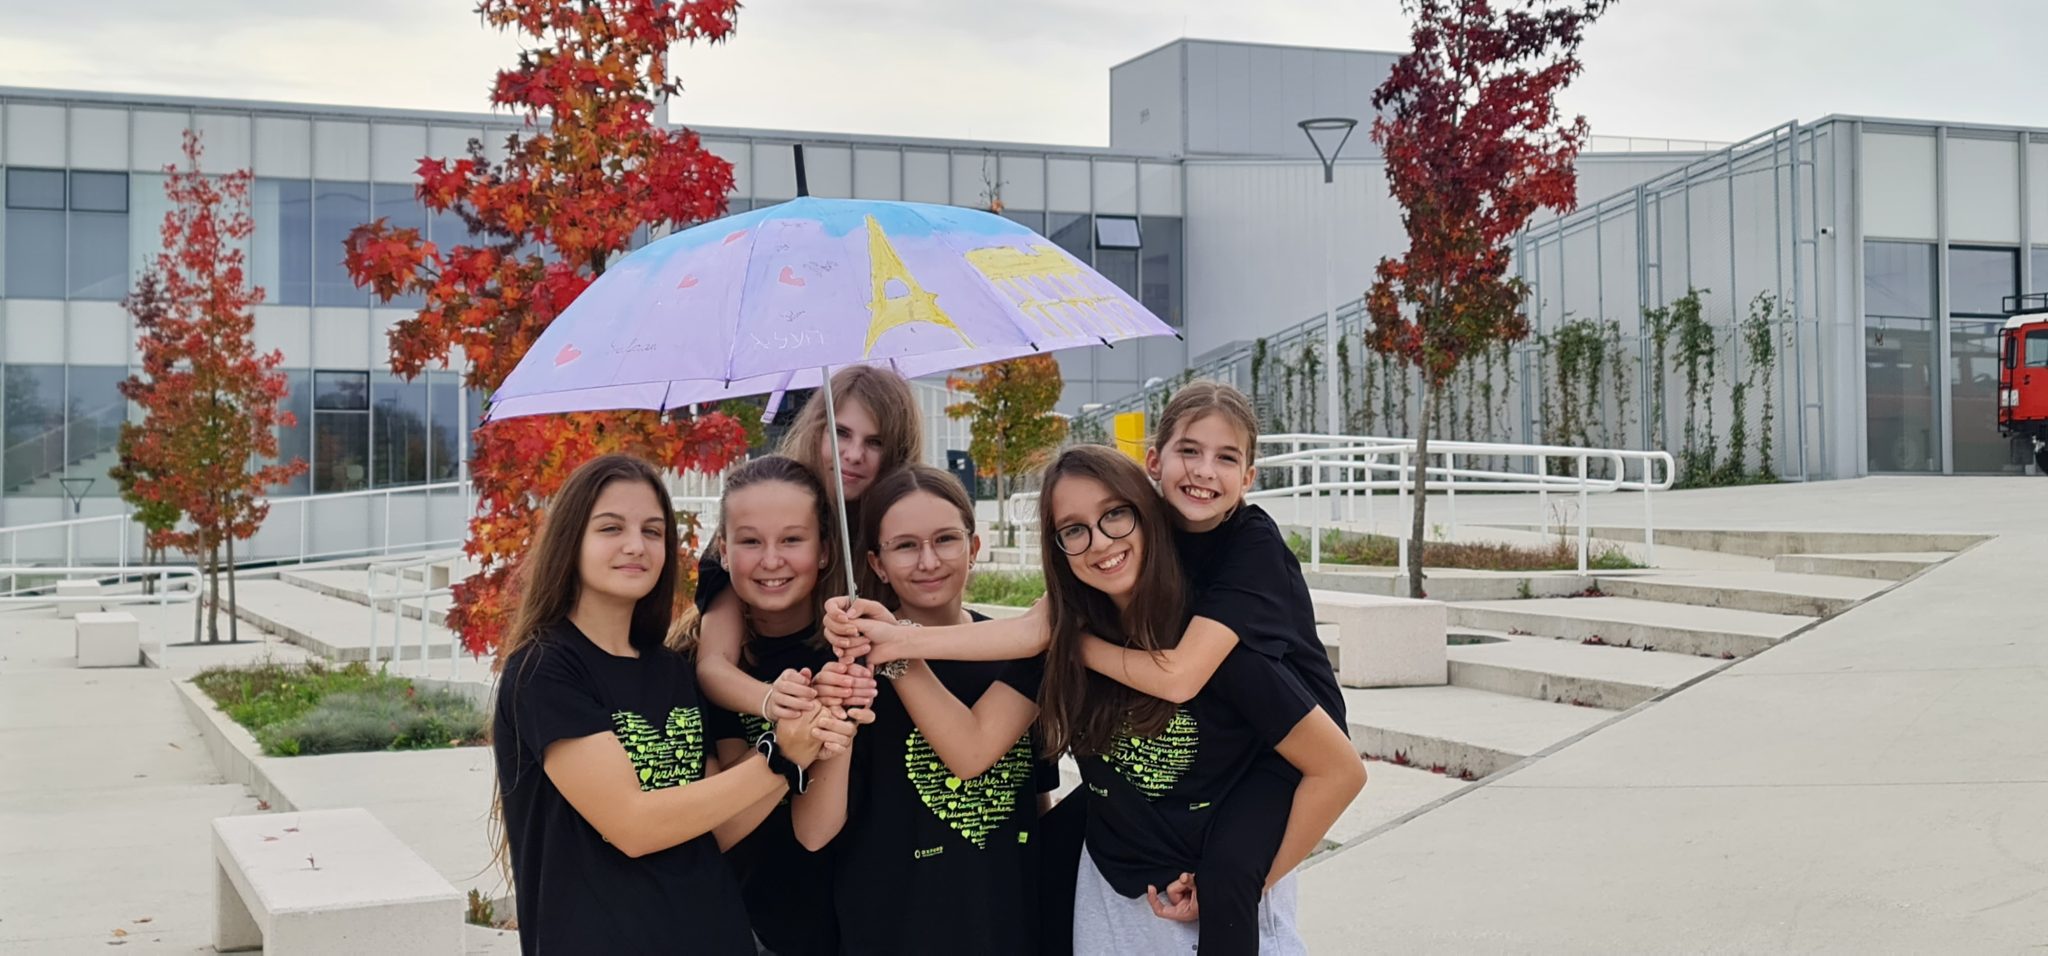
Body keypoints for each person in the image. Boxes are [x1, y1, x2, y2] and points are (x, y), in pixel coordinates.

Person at [831, 382, 1354, 951]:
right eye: (1074, 530)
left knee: (1228, 865)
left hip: (1218, 891)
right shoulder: (1069, 623)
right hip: (1115, 907)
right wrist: (895, 647)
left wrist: (1245, 882)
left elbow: (1330, 766)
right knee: (1052, 847)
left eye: (1116, 517)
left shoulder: (1219, 630)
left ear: (1149, 516)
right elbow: (974, 744)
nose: (1100, 542)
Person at [490, 453, 854, 955]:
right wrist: (780, 756)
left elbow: (718, 827)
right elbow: (633, 825)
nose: (635, 545)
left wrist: (810, 729)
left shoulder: (671, 670)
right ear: (571, 540)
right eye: (611, 528)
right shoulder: (545, 669)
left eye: (653, 531)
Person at [793, 465, 1060, 955]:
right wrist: (838, 719)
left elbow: (1033, 800)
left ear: (974, 547)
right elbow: (813, 833)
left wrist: (898, 650)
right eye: (905, 546)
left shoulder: (1021, 653)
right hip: (893, 931)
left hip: (1008, 927)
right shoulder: (847, 668)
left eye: (946, 539)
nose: (928, 561)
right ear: (876, 564)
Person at [671, 454, 878, 956]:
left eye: (791, 540)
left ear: (825, 550)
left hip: (854, 922)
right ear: (723, 551)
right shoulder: (693, 668)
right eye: (750, 541)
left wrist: (834, 715)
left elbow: (816, 831)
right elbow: (726, 813)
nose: (770, 560)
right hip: (746, 924)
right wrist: (782, 720)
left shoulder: (850, 653)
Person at [694, 365, 924, 729]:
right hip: (756, 718)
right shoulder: (760, 504)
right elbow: (714, 662)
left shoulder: (901, 533)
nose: (853, 454)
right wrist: (783, 702)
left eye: (875, 442)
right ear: (818, 430)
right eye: (841, 433)